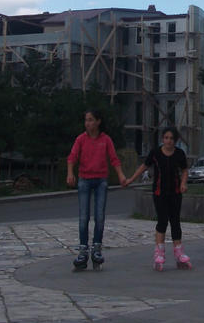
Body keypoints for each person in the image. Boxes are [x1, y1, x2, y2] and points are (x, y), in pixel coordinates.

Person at [66, 109, 127, 270]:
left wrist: (121, 176)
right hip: (84, 179)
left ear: (98, 121)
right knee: (83, 217)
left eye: (91, 120)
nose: (88, 123)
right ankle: (83, 250)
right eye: (86, 120)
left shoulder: (105, 140)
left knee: (99, 216)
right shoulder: (81, 139)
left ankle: (97, 249)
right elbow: (72, 157)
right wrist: (70, 173)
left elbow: (114, 159)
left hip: (101, 180)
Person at [124, 127, 192, 271]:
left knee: (175, 222)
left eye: (171, 138)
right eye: (166, 138)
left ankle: (179, 253)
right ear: (162, 139)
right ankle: (159, 253)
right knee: (162, 221)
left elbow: (185, 170)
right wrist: (131, 179)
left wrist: (183, 183)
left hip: (175, 193)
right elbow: (144, 166)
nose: (168, 141)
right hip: (159, 193)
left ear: (175, 141)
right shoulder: (155, 153)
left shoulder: (179, 154)